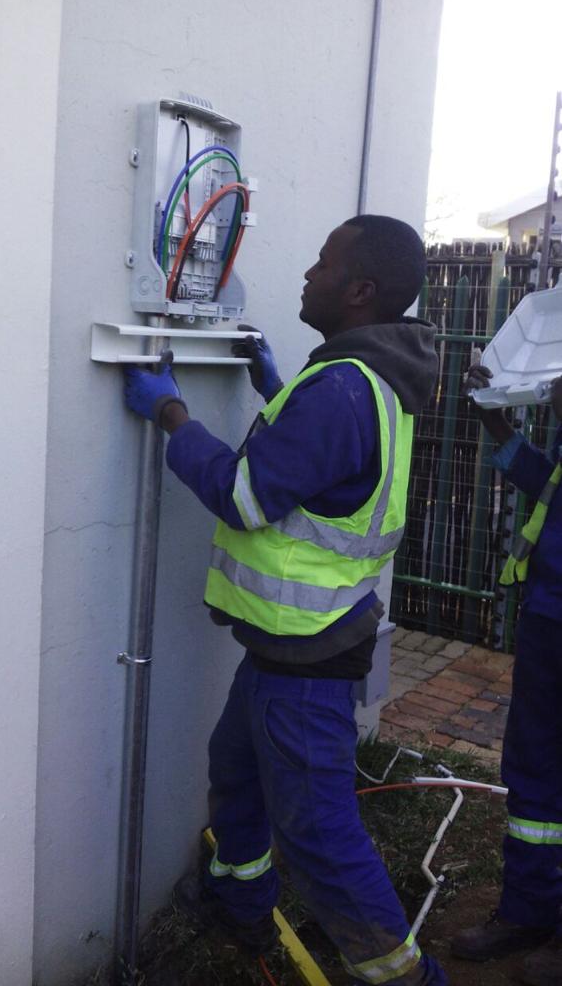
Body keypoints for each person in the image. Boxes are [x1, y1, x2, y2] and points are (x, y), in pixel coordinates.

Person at [124, 214, 447, 986]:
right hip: (297, 640)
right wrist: (274, 387)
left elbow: (245, 497)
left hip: (306, 657)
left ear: (360, 291)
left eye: (322, 263)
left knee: (320, 838)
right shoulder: (361, 376)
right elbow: (330, 462)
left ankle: (406, 977)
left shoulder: (341, 388)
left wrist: (171, 414)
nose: (307, 273)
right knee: (235, 769)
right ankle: (240, 903)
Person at [452, 366, 562, 986]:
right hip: (549, 619)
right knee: (533, 770)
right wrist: (496, 421)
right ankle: (528, 910)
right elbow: (551, 484)